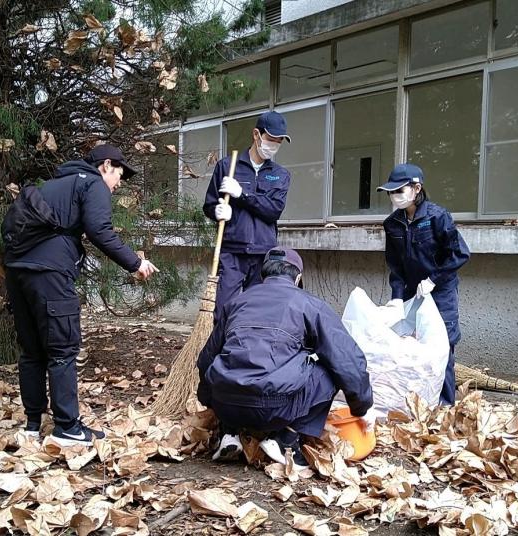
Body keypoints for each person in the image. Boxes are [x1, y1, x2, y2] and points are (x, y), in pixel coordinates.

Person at [4, 144, 159, 445]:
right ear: (106, 165)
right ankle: (67, 428)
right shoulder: (92, 184)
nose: (118, 183)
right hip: (51, 274)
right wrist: (136, 262)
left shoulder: (53, 184)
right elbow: (100, 231)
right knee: (62, 349)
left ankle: (32, 425)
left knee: (32, 351)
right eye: (120, 175)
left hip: (18, 272)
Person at [196, 247, 375, 469]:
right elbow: (348, 361)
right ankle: (285, 440)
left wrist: (210, 401)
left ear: (263, 276)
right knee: (328, 367)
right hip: (273, 408)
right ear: (298, 277)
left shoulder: (236, 302)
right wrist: (361, 408)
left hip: (226, 403)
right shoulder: (309, 304)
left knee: (228, 360)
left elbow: (206, 359)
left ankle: (229, 433)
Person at [378, 163, 470, 406]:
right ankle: (419, 406)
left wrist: (433, 280)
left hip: (440, 292)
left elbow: (459, 254)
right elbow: (395, 265)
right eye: (391, 192)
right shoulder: (392, 224)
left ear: (416, 188)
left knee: (443, 349)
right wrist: (397, 297)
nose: (394, 196)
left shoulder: (437, 217)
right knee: (413, 347)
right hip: (411, 292)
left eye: (399, 191)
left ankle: (445, 407)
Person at [203, 111, 292, 324]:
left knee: (256, 313)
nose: (274, 145)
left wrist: (242, 195)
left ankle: (248, 354)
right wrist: (216, 211)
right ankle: (221, 354)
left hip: (263, 254)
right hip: (231, 251)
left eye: (279, 141)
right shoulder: (227, 167)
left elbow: (273, 210)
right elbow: (209, 204)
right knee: (224, 310)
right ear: (256, 134)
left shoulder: (281, 175)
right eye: (271, 139)